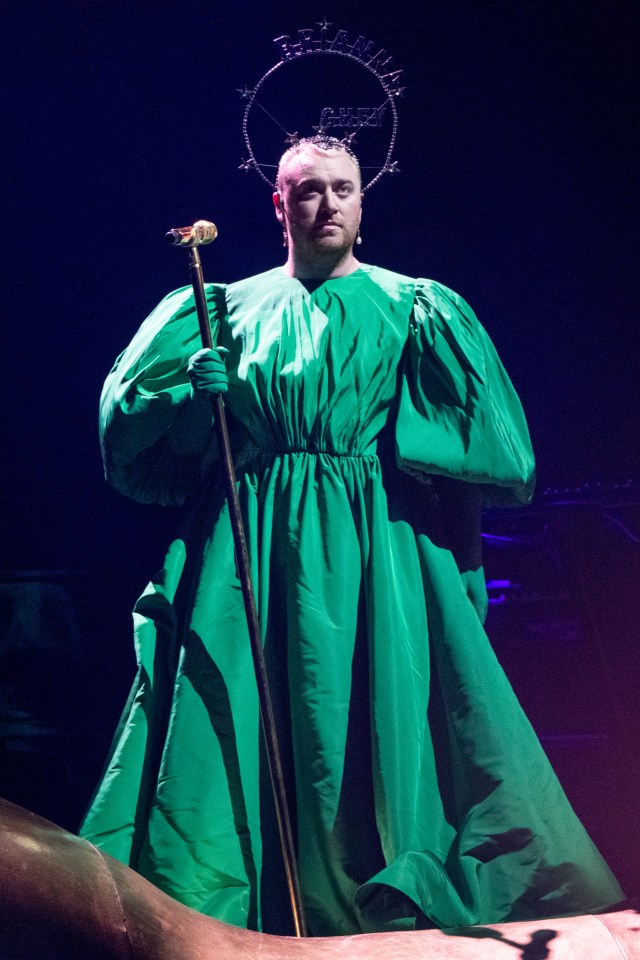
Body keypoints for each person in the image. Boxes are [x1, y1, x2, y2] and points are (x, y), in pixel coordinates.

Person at [81, 137, 623, 936]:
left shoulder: (413, 307)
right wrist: (198, 398)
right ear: (280, 204)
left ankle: (384, 885)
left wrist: (449, 531)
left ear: (363, 204)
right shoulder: (222, 308)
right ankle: (243, 897)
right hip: (251, 552)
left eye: (343, 189)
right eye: (308, 190)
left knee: (370, 715)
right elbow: (147, 446)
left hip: (376, 551)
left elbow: (479, 454)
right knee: (236, 715)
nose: (327, 203)